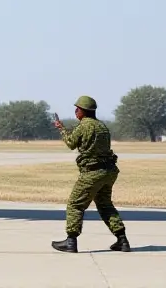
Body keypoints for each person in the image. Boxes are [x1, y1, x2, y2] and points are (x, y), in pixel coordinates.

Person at [52, 95, 130, 253]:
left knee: (75, 205)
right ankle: (122, 240)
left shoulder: (84, 126)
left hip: (92, 173)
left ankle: (71, 241)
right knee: (105, 205)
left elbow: (71, 143)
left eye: (77, 109)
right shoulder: (102, 126)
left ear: (84, 111)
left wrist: (61, 128)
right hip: (108, 171)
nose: (75, 112)